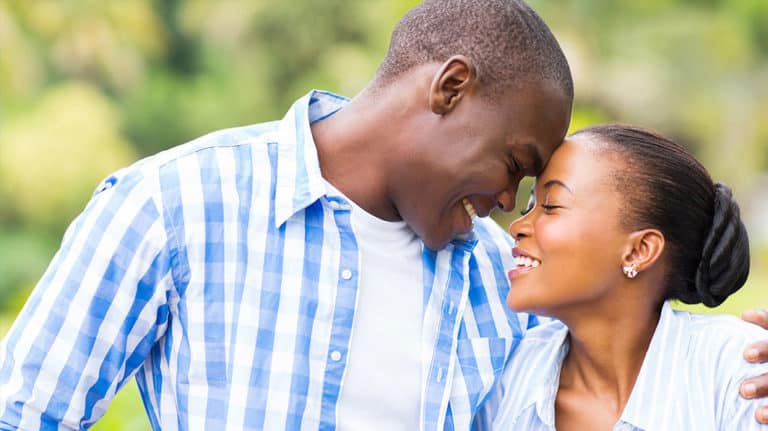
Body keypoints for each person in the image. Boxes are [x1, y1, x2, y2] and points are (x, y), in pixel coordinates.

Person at [0, 1, 767, 429]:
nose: (509, 206)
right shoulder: (172, 206)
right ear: (450, 86)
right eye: (514, 163)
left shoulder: (501, 285)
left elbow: (627, 345)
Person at [494, 124, 768, 430]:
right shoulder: (512, 374)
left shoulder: (739, 367)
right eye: (528, 206)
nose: (517, 226)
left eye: (551, 205)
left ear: (639, 250)